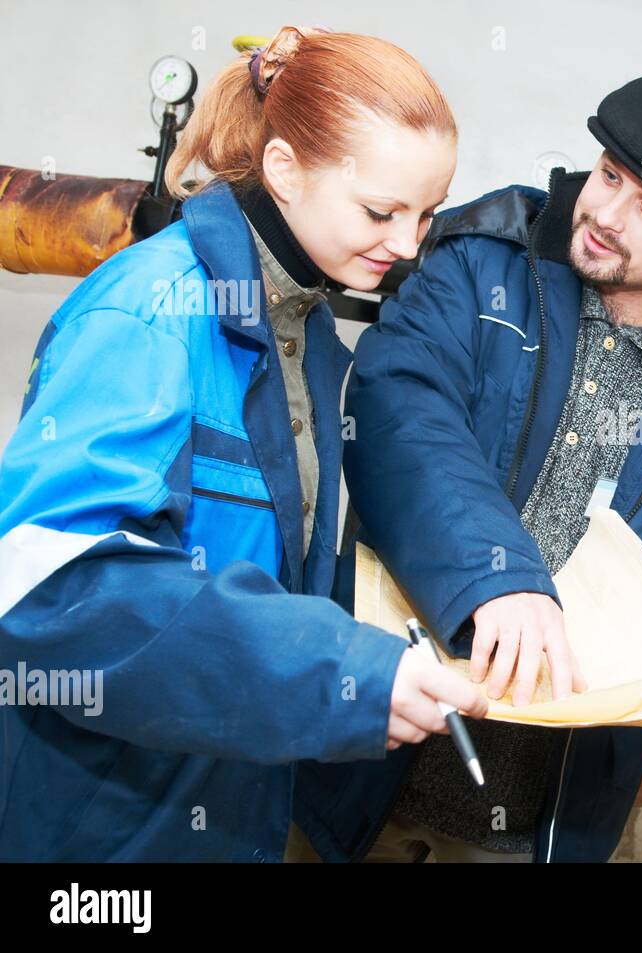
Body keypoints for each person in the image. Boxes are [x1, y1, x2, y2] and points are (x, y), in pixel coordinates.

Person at [292, 72, 642, 864]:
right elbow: (399, 411)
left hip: (542, 828)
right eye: (609, 176)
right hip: (351, 774)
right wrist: (497, 575)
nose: (605, 216)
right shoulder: (481, 266)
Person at [0, 25, 485, 862]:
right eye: (382, 211)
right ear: (285, 170)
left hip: (221, 797)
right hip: (100, 825)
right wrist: (340, 671)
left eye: (427, 215)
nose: (408, 246)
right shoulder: (150, 313)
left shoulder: (301, 326)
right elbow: (51, 590)